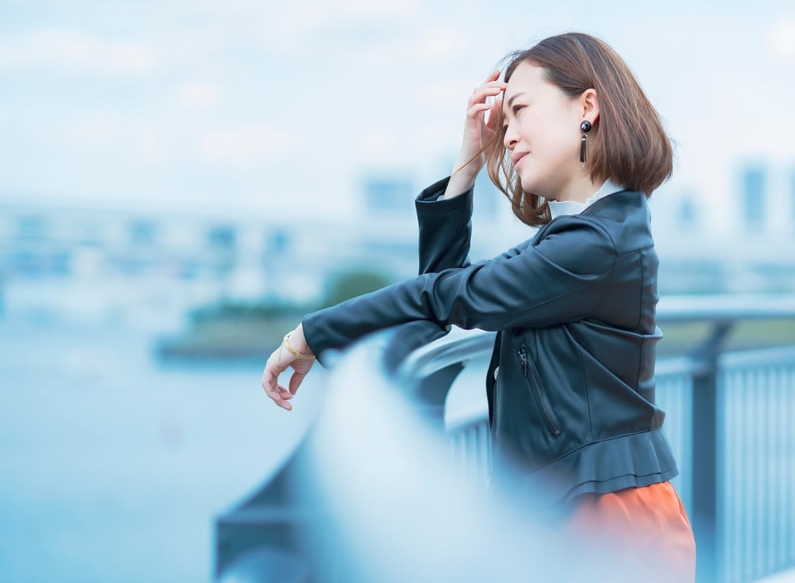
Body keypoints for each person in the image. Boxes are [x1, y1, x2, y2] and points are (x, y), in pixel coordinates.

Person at [261, 32, 696, 579]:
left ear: (587, 107)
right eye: (503, 121)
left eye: (519, 111)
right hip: (580, 508)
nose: (507, 135)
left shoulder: (594, 245)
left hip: (610, 520)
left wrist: (310, 333)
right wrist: (466, 165)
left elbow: (447, 295)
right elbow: (446, 290)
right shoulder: (587, 235)